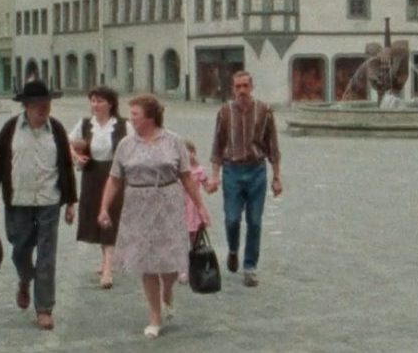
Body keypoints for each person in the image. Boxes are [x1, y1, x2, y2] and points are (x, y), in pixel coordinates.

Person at [97, 95, 211, 339]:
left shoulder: (173, 141)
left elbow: (187, 177)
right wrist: (104, 208)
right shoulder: (126, 145)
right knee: (147, 264)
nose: (131, 118)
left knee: (170, 262)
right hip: (137, 206)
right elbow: (115, 178)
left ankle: (168, 289)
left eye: (135, 114)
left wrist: (200, 206)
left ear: (150, 117)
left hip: (168, 204)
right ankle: (154, 316)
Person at [0, 80, 77, 331]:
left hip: (49, 200)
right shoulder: (10, 129)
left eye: (46, 104)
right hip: (18, 201)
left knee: (47, 255)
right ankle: (25, 279)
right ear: (26, 106)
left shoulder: (56, 129)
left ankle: (44, 308)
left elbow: (66, 166)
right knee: (20, 249)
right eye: (37, 105)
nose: (43, 109)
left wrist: (70, 202)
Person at [205, 71, 282, 288]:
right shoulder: (224, 112)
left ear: (252, 86)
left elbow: (273, 146)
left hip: (256, 170)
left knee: (255, 222)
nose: (241, 91)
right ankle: (232, 249)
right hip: (232, 171)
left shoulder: (264, 111)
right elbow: (217, 146)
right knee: (232, 218)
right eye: (237, 86)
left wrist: (276, 177)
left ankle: (249, 267)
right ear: (232, 88)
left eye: (245, 86)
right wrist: (214, 175)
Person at [68, 86, 132, 289]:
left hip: (114, 176)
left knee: (110, 215)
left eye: (99, 101)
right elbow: (66, 142)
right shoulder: (86, 124)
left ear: (110, 104)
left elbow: (134, 147)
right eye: (93, 101)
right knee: (96, 215)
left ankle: (107, 269)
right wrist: (77, 156)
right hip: (92, 175)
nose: (95, 105)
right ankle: (105, 259)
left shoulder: (123, 125)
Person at [178, 139, 208, 284]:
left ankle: (194, 266)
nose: (188, 155)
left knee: (194, 240)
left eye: (190, 152)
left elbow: (207, 186)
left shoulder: (198, 170)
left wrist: (213, 184)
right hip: (181, 207)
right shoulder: (178, 171)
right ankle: (182, 268)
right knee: (181, 239)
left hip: (194, 208)